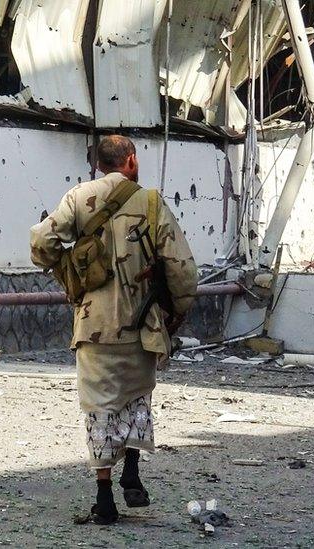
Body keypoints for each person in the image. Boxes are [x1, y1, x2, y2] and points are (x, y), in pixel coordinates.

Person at [29, 135, 198, 525]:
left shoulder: (78, 198)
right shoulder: (152, 203)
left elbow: (40, 242)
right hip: (142, 326)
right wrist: (177, 312)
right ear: (132, 162)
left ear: (100, 165)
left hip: (94, 326)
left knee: (99, 409)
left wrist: (68, 268)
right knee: (137, 398)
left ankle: (104, 498)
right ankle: (132, 467)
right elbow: (182, 269)